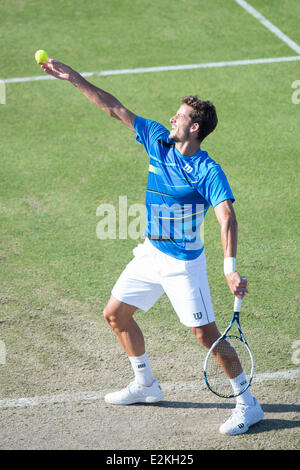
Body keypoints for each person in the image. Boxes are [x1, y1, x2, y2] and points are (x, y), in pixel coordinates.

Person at [40, 58, 264, 435]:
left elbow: (227, 217)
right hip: (150, 253)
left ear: (194, 127)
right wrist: (73, 77)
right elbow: (114, 108)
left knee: (206, 335)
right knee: (116, 315)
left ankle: (247, 403)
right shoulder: (157, 140)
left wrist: (229, 268)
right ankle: (146, 383)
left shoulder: (208, 170)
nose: (172, 119)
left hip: (183, 265)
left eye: (179, 116)